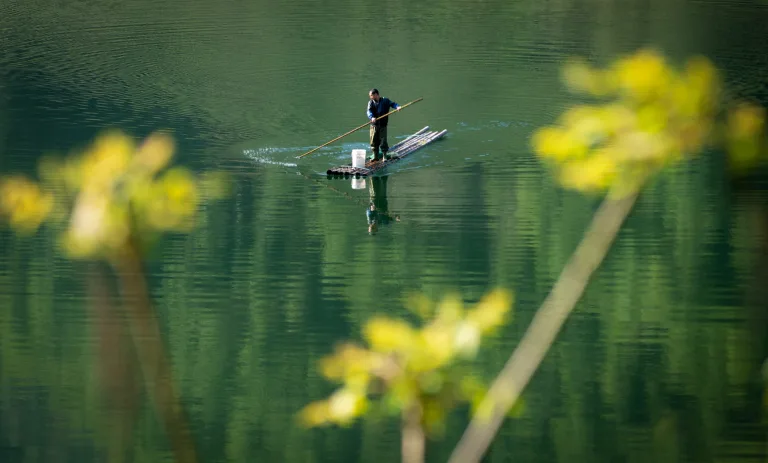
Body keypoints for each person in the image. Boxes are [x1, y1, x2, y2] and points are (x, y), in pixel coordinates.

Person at [367, 89, 400, 162]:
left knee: (383, 140)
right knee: (373, 141)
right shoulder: (371, 103)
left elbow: (393, 104)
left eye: (371, 95)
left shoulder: (385, 100)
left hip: (383, 125)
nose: (370, 97)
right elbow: (369, 111)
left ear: (376, 94)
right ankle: (375, 156)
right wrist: (372, 117)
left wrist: (397, 107)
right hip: (374, 125)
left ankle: (384, 156)